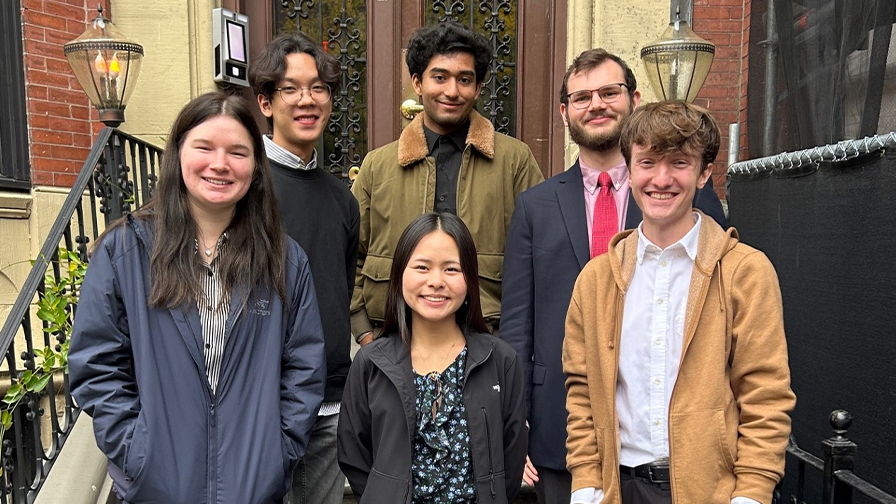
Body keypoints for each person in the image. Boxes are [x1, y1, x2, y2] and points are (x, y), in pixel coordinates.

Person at [68, 92, 326, 504]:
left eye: (238, 152)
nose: (220, 164)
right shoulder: (126, 253)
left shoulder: (284, 260)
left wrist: (276, 456)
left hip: (252, 488)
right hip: (155, 489)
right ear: (178, 154)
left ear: (256, 168)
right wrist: (138, 453)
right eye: (204, 147)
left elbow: (304, 370)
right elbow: (97, 366)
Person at [500, 48, 728, 504]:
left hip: (665, 426)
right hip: (561, 422)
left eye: (609, 91)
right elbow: (518, 322)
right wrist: (515, 420)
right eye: (581, 97)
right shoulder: (534, 206)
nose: (597, 104)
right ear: (565, 111)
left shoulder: (679, 193)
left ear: (634, 99)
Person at [563, 101, 796, 504]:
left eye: (679, 162)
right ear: (629, 170)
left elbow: (765, 394)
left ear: (705, 173)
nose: (661, 178)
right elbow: (582, 391)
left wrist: (753, 492)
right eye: (648, 161)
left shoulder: (745, 272)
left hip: (713, 492)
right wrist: (586, 483)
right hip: (620, 490)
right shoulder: (596, 281)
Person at [351, 21, 543, 345]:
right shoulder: (377, 166)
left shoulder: (515, 161)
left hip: (485, 345)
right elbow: (349, 254)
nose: (452, 91)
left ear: (478, 88)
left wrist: (509, 345)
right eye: (439, 77)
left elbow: (539, 256)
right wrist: (365, 332)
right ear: (418, 83)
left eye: (464, 80)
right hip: (392, 341)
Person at [337, 212, 528, 504]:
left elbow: (511, 462)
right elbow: (355, 455)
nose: (436, 281)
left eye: (451, 269)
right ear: (401, 272)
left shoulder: (500, 362)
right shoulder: (371, 364)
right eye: (422, 267)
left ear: (469, 279)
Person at [249, 33, 359, 504]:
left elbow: (339, 291)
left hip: (329, 405)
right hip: (259, 402)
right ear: (266, 102)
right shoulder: (244, 187)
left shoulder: (342, 198)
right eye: (290, 88)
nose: (307, 100)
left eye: (319, 88)